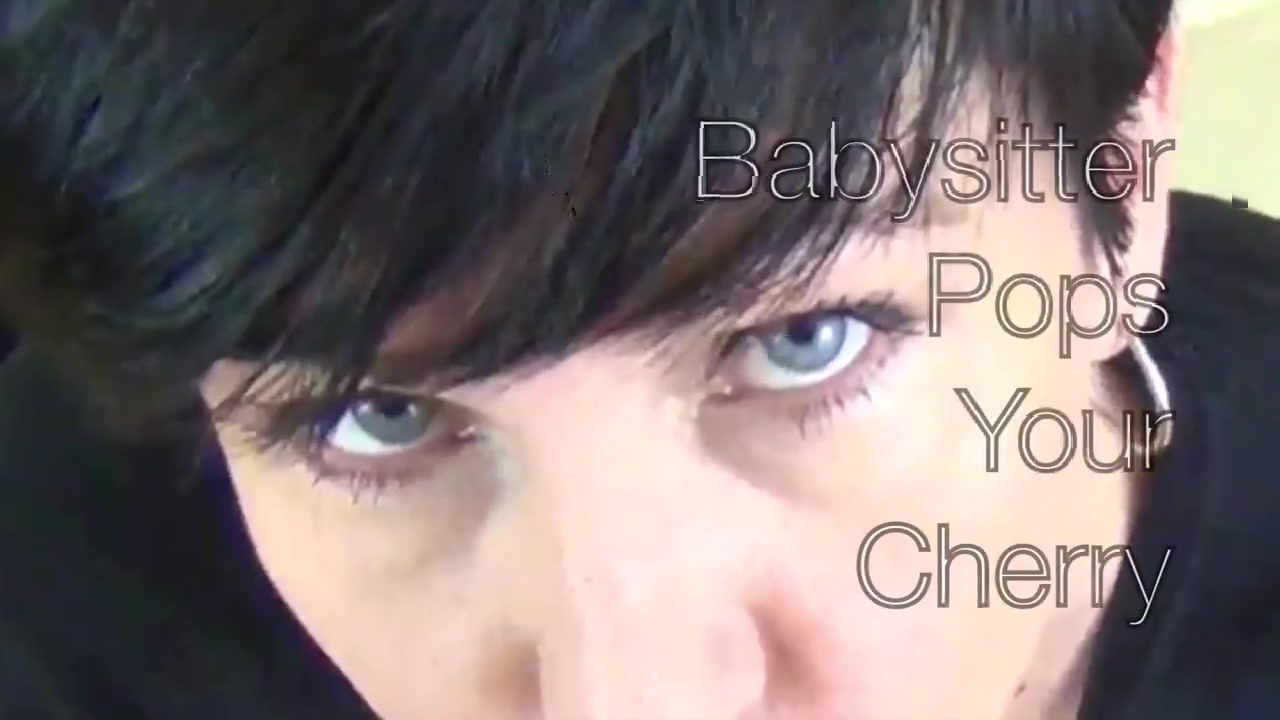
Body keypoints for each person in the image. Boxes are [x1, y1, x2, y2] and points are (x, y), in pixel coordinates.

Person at [1, 1, 1279, 718]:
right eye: (375, 417)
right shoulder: (67, 591)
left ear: (1118, 175)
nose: (633, 698)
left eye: (805, 343)